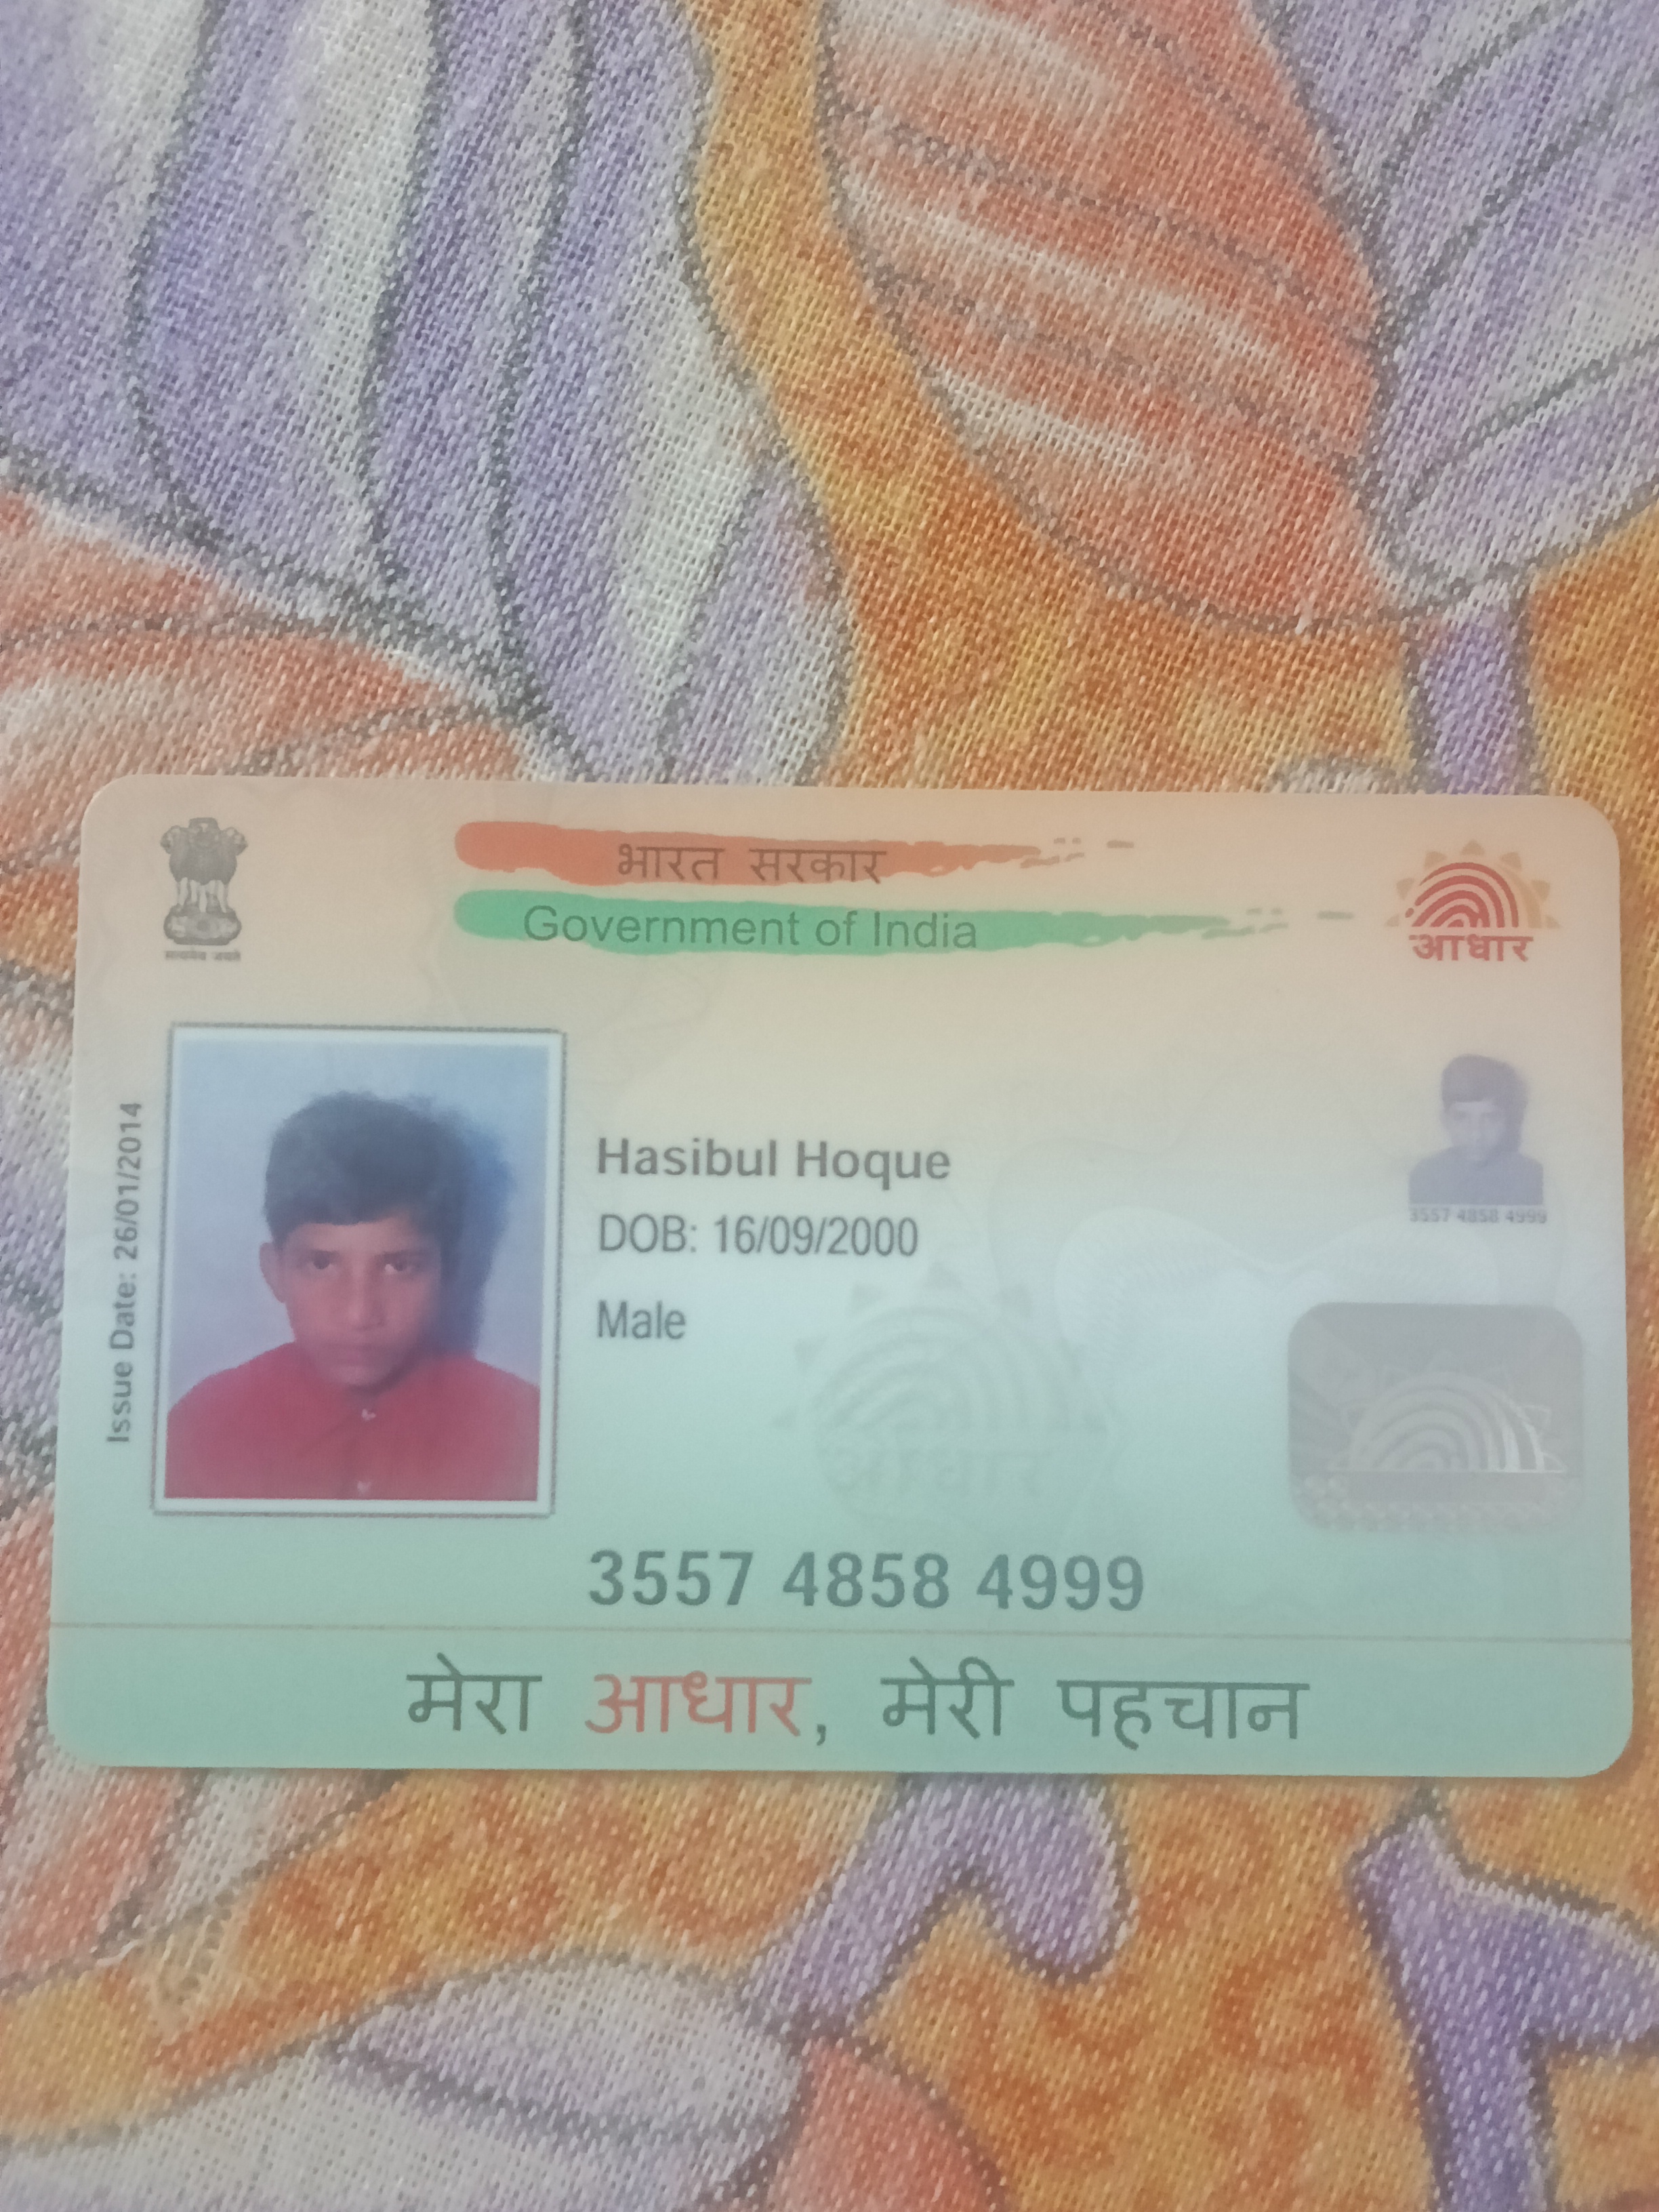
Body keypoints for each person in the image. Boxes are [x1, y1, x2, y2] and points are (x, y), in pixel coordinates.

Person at [167, 1092, 540, 1502]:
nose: (359, 1314)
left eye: (400, 1267)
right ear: (275, 1272)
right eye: (321, 1264)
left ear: (448, 1272)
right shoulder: (204, 1427)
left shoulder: (524, 1432)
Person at [1408, 1055, 1543, 1207]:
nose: (1476, 1135)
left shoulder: (1531, 1175)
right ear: (1445, 1120)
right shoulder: (1426, 1175)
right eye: (1461, 1118)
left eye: (1490, 1118)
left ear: (1507, 1120)